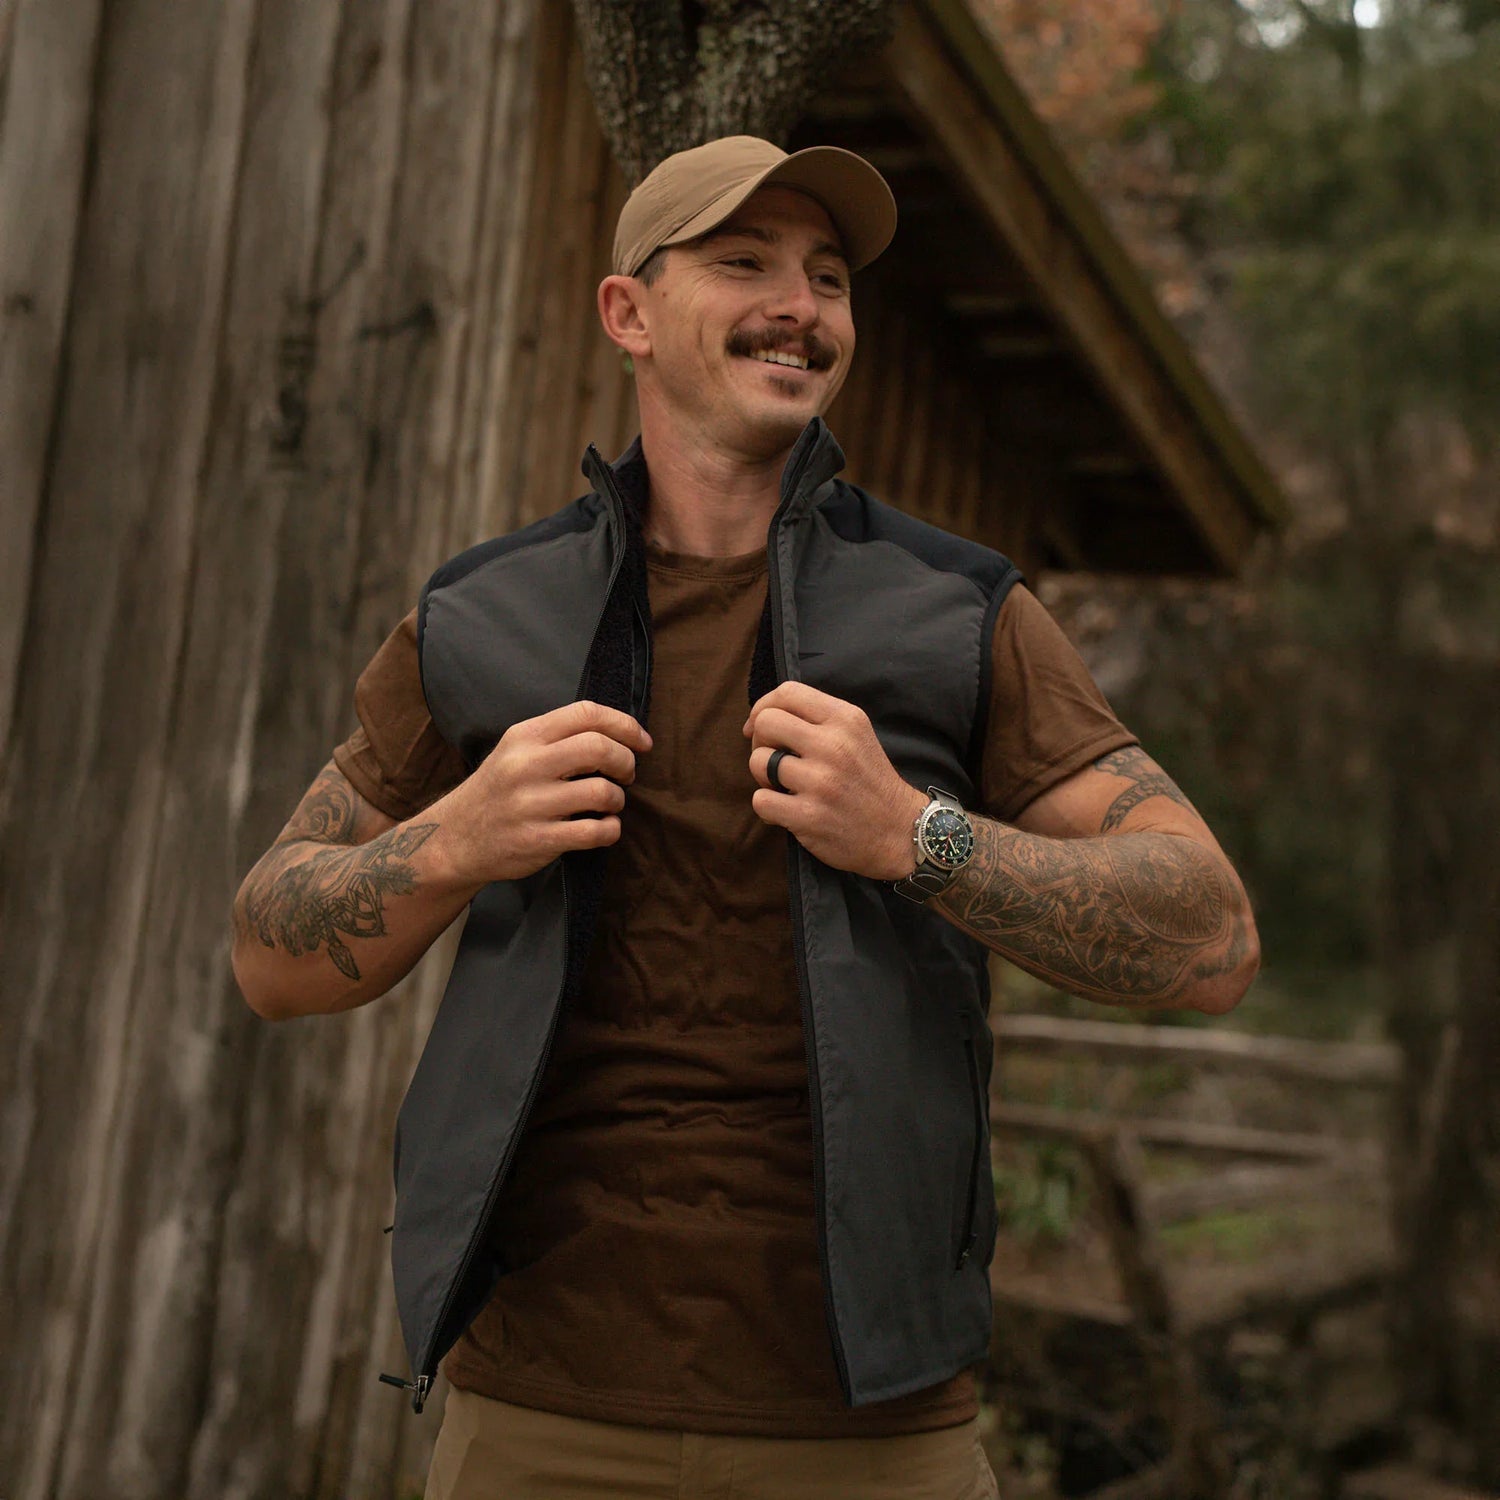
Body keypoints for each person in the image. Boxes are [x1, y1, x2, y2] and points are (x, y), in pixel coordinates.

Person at [232, 135, 1259, 1500]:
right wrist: (454, 840)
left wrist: (920, 836)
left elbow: (1212, 938)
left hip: (873, 1433)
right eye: (745, 263)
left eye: (828, 277)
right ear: (629, 315)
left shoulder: (960, 615)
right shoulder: (484, 616)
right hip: (537, 1416)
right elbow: (267, 950)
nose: (801, 303)